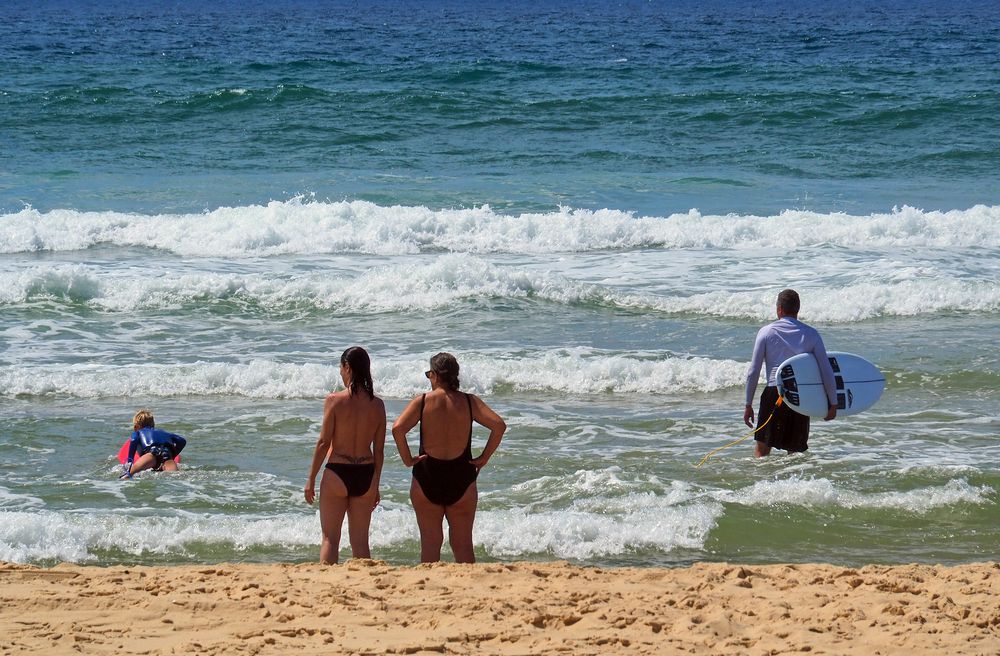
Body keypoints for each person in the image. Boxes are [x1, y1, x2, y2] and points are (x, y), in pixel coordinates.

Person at [392, 352, 506, 563]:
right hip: (461, 477)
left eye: (429, 374)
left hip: (427, 477)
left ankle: (428, 591)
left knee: (430, 543)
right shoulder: (470, 402)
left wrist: (408, 460)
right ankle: (468, 591)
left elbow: (398, 429)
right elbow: (499, 426)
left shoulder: (423, 401)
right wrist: (483, 458)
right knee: (463, 545)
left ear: (434, 375)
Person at [304, 346, 386, 564]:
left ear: (348, 368)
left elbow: (323, 442)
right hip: (366, 472)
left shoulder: (335, 400)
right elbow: (379, 450)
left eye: (341, 368)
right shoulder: (378, 405)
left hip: (338, 471)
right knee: (360, 542)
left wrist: (311, 478)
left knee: (330, 538)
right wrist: (375, 483)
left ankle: (327, 585)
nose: (340, 373)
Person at [743, 289, 837, 457]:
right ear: (797, 310)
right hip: (800, 395)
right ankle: (795, 483)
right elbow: (825, 369)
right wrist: (833, 402)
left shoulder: (766, 332)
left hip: (774, 393)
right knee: (795, 453)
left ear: (779, 309)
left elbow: (753, 371)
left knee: (762, 450)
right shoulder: (811, 334)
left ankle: (759, 482)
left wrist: (748, 404)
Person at [121, 409, 186, 478]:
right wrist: (173, 455)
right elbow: (182, 441)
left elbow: (133, 440)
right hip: (167, 456)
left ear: (136, 427)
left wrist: (129, 461)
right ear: (153, 424)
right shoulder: (164, 432)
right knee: (175, 477)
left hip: (151, 454)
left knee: (128, 475)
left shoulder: (138, 432)